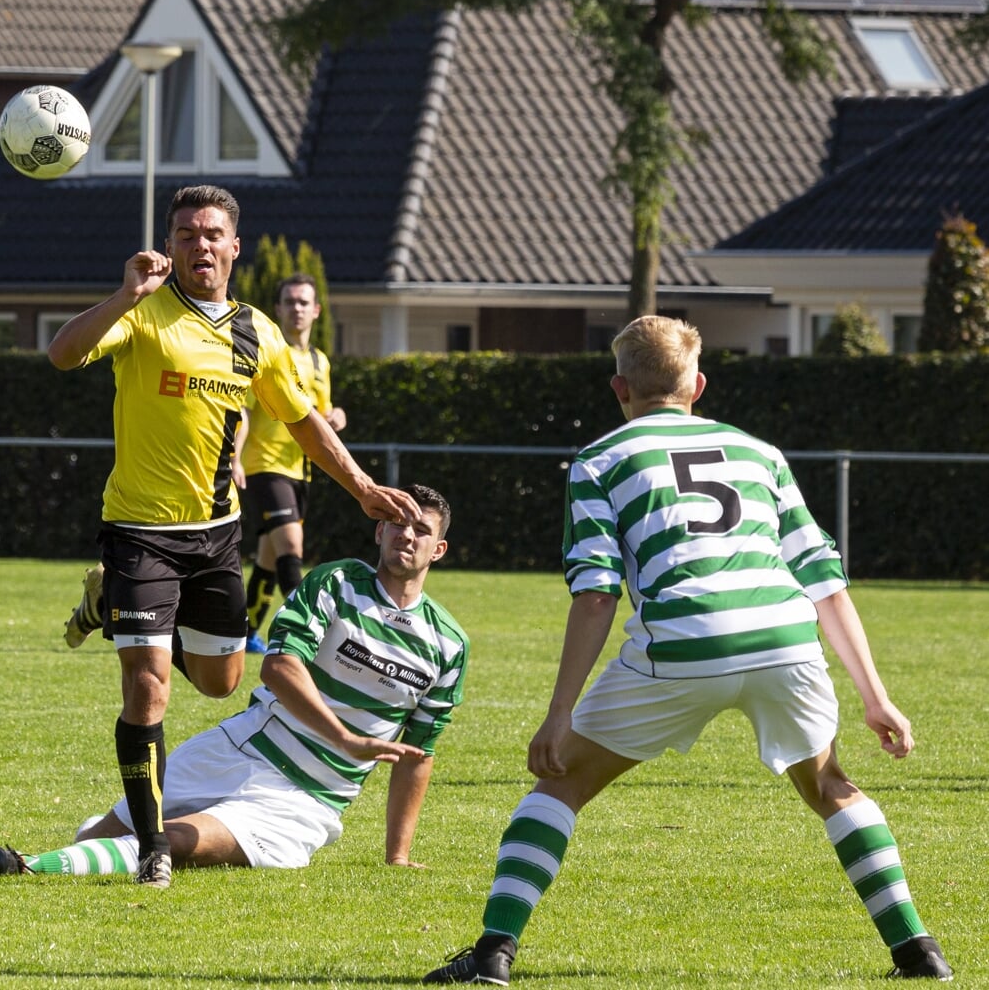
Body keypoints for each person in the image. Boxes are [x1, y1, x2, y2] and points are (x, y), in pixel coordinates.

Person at [423, 316, 952, 985]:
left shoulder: (601, 459)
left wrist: (558, 714)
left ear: (619, 387)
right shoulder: (762, 453)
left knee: (563, 782)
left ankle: (494, 952)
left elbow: (595, 594)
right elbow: (825, 581)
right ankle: (918, 949)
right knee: (829, 786)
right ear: (697, 384)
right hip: (784, 642)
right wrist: (877, 696)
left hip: (681, 642)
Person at [47, 183, 421, 888]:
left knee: (221, 683)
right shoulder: (144, 311)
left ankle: (112, 613)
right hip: (139, 531)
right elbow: (64, 355)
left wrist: (364, 487)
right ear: (172, 242)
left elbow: (305, 419)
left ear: (234, 246)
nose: (199, 244)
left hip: (216, 537)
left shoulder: (257, 332)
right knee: (148, 687)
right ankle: (152, 844)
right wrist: (124, 294)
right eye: (185, 233)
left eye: (211, 233)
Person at [0, 485, 463, 880]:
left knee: (175, 844)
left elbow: (419, 754)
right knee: (95, 840)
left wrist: (397, 856)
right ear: (379, 531)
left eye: (421, 529)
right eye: (397, 523)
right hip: (239, 748)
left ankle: (26, 863)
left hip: (304, 798)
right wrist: (347, 739)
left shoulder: (447, 643)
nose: (407, 535)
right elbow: (279, 667)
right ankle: (118, 612)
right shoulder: (335, 583)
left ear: (437, 549)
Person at [233, 272, 347, 653]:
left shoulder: (319, 361)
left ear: (316, 311)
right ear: (278, 308)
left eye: (304, 302)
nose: (297, 308)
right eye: (290, 302)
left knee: (269, 556)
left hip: (301, 470)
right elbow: (244, 412)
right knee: (291, 548)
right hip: (265, 466)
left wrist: (336, 418)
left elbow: (319, 416)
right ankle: (305, 635)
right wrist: (233, 457)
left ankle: (244, 631)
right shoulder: (267, 353)